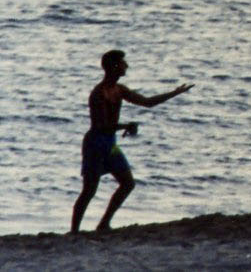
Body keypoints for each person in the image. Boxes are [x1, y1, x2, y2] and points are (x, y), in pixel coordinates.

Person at [70, 50, 193, 233]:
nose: (126, 66)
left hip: (109, 143)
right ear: (113, 67)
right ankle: (74, 230)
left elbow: (147, 102)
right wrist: (125, 126)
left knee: (127, 183)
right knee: (89, 190)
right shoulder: (98, 93)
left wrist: (174, 93)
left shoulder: (120, 90)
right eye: (122, 63)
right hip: (95, 144)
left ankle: (104, 224)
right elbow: (101, 126)